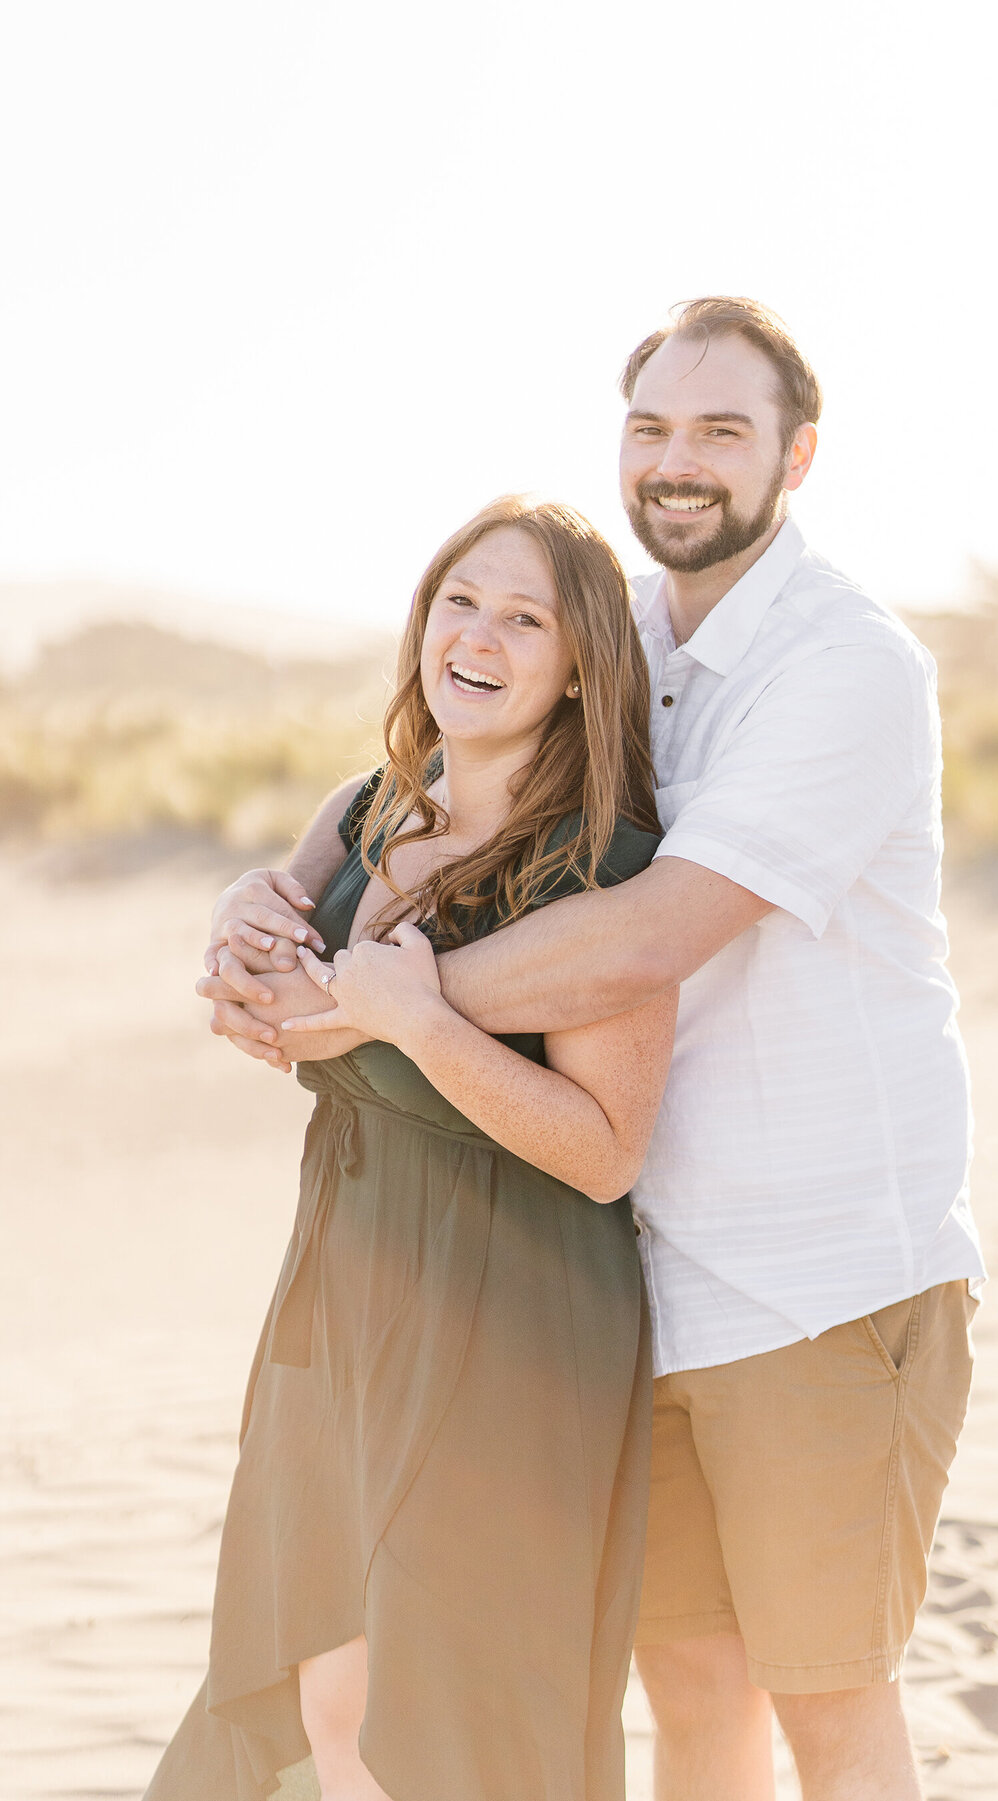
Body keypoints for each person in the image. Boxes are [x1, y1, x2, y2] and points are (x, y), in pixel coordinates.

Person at [206, 298, 986, 1801]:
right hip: (636, 1280)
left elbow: (648, 934)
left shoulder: (845, 666)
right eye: (651, 427)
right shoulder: (613, 622)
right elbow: (439, 771)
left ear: (796, 456)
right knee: (691, 1690)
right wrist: (280, 895)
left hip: (820, 1276)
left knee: (829, 1703)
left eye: (722, 430)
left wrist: (378, 1002)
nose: (678, 460)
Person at [154, 496, 677, 1801]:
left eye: (524, 618)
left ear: (580, 667)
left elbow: (607, 1150)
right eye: (460, 600)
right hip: (345, 1277)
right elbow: (279, 1004)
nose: (478, 637)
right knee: (324, 1685)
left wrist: (426, 1023)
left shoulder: (602, 866)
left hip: (511, 1306)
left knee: (437, 1713)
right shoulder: (366, 811)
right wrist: (237, 937)